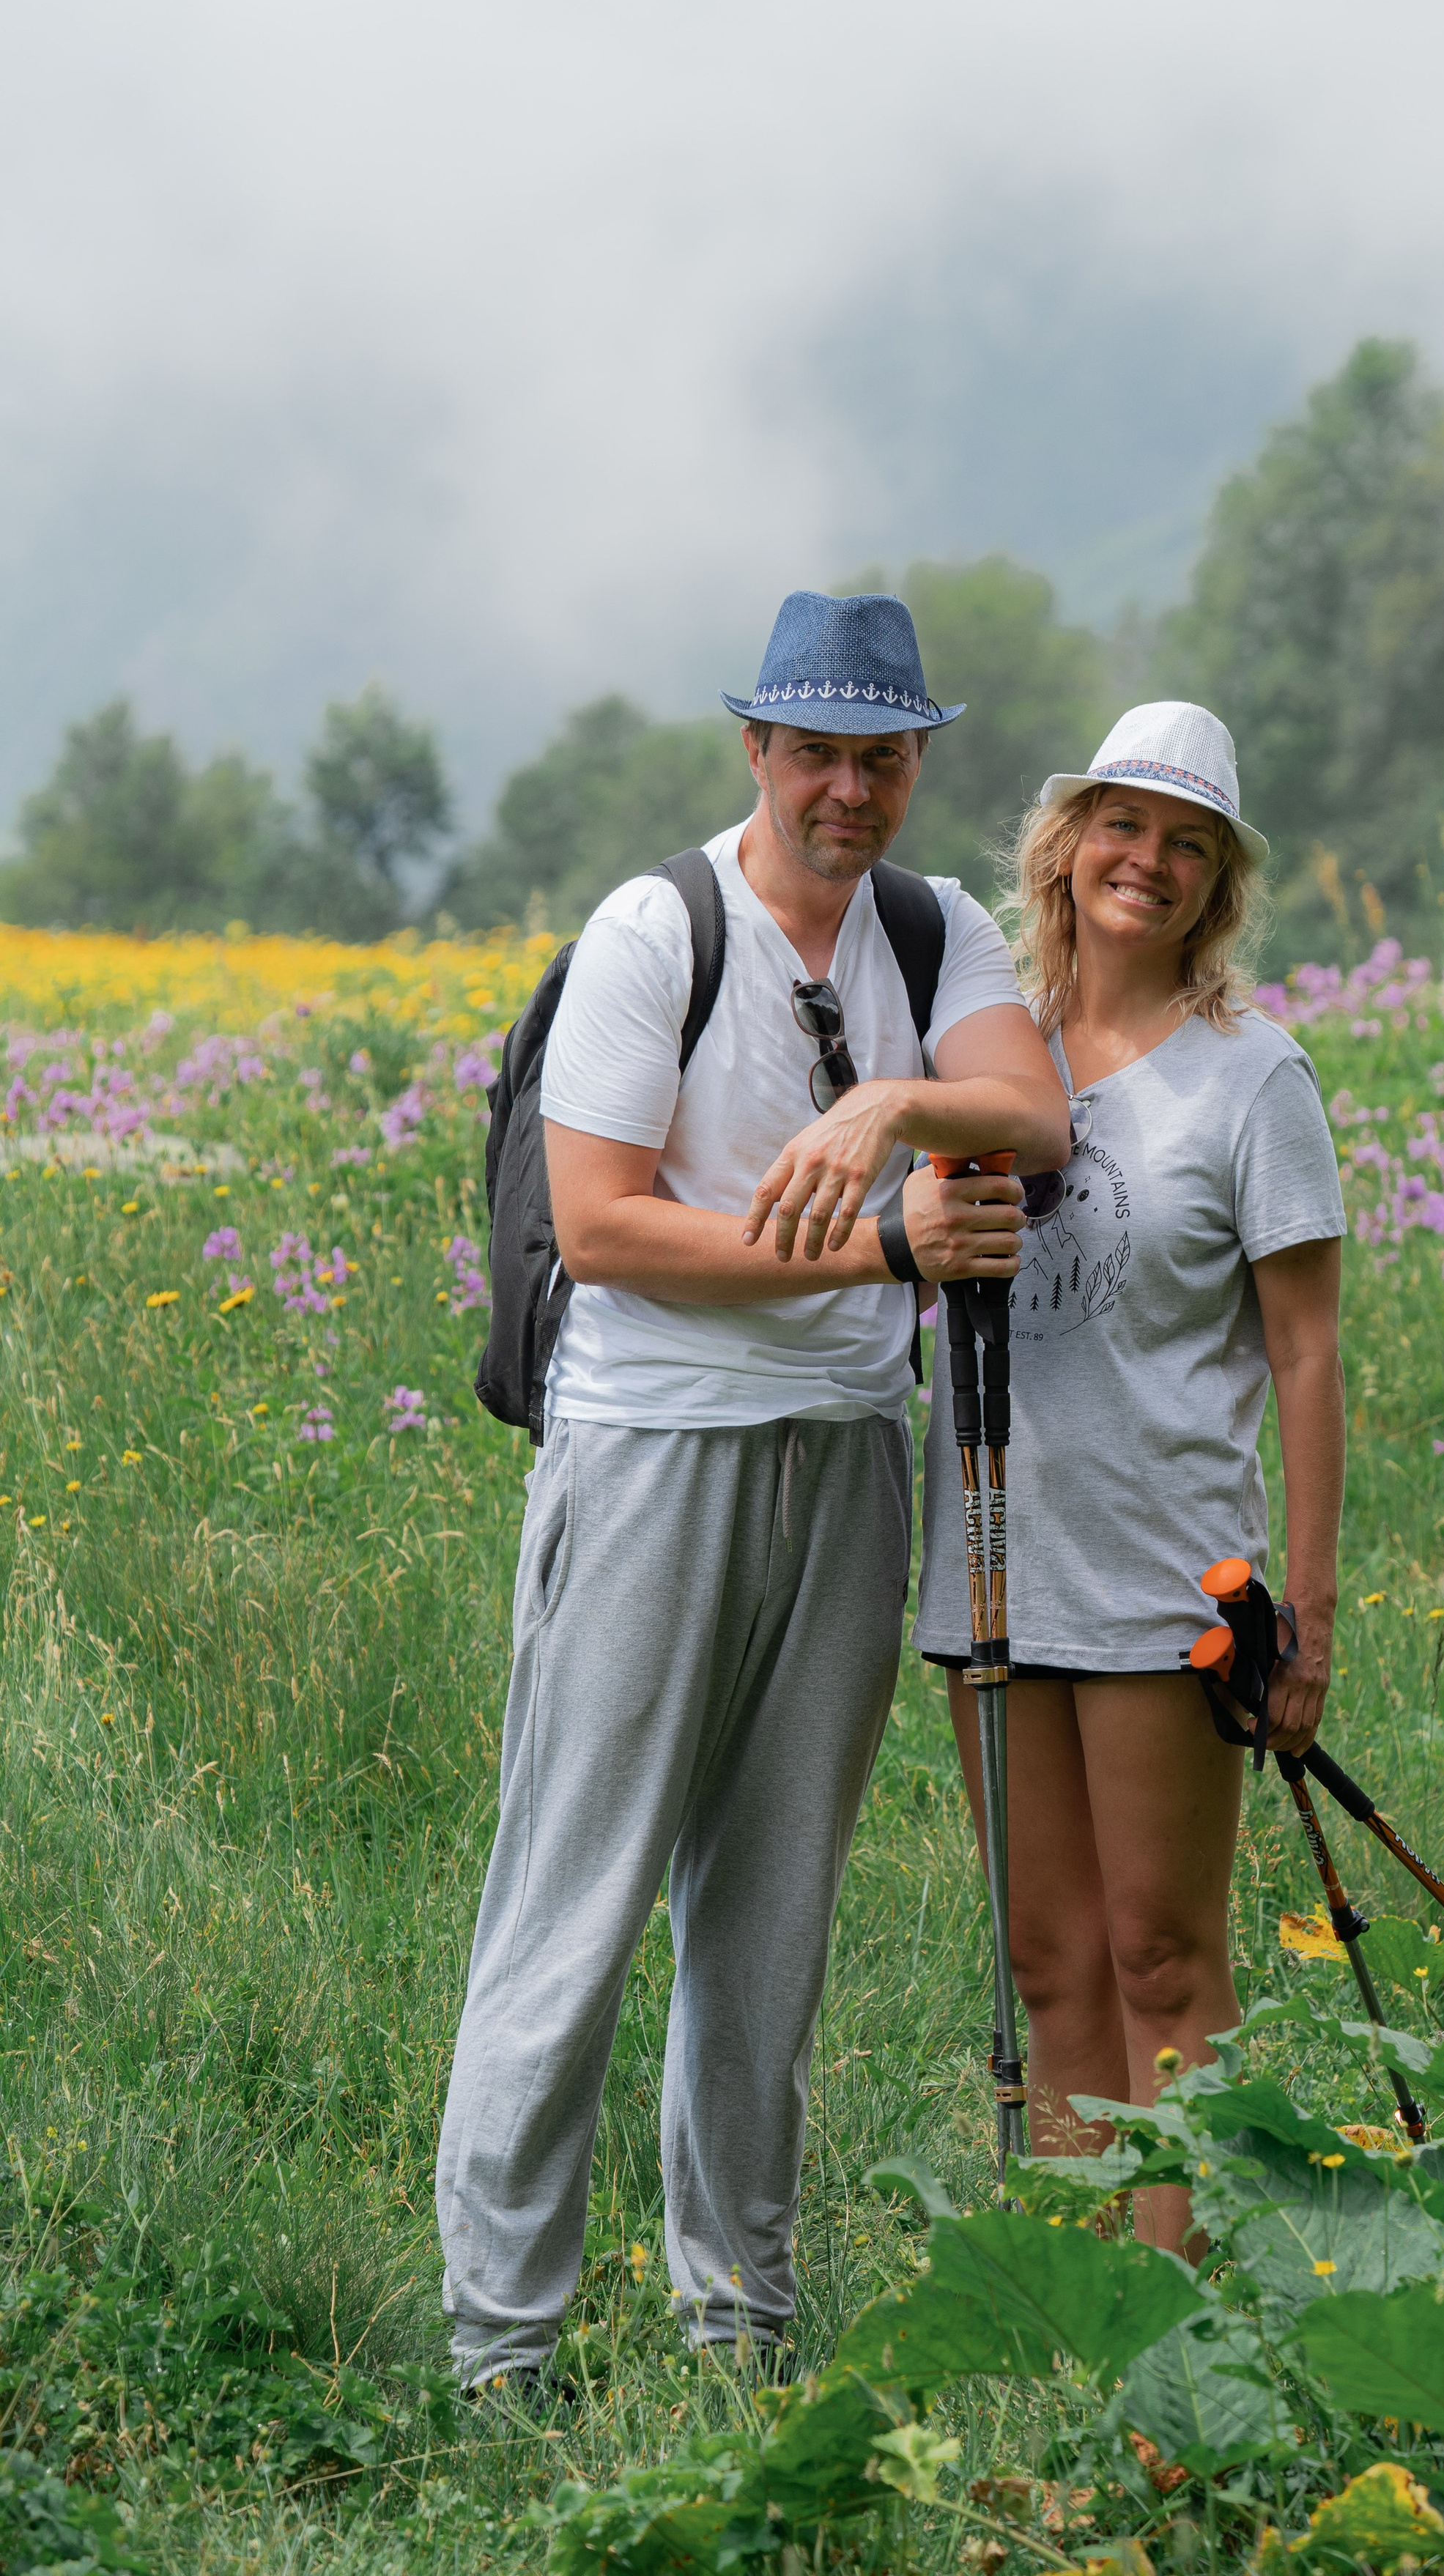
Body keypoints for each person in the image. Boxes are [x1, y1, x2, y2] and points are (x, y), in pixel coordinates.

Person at [436, 591, 1070, 2386]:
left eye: (882, 757)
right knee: (576, 1888)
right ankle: (503, 2352)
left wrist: (889, 1115)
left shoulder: (935, 936)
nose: (849, 790)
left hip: (848, 1460)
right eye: (818, 755)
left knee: (771, 1913)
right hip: (652, 1449)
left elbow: (1035, 1123)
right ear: (757, 751)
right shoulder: (659, 929)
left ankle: (741, 2323)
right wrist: (883, 1250)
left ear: (916, 759)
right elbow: (603, 1228)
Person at [914, 699, 1346, 2251]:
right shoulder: (985, 1051)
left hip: (1169, 1582)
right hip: (989, 1572)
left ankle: (1176, 2310)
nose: (1144, 862)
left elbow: (1303, 1354)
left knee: (1161, 1955)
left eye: (1184, 843)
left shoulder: (1254, 1078)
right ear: (1065, 843)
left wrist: (1301, 1609)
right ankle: (1081, 2296)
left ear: (1216, 885)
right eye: (1121, 825)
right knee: (1044, 1959)